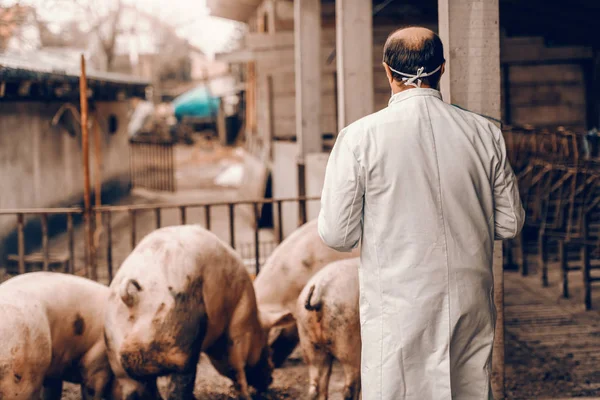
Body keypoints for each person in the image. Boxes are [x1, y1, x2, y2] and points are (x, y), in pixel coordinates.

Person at [317, 26, 525, 400]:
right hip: (469, 296)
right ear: (441, 69)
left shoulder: (359, 137)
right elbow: (509, 223)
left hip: (399, 299)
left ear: (386, 71)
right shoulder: (485, 132)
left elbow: (337, 234)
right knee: (468, 388)